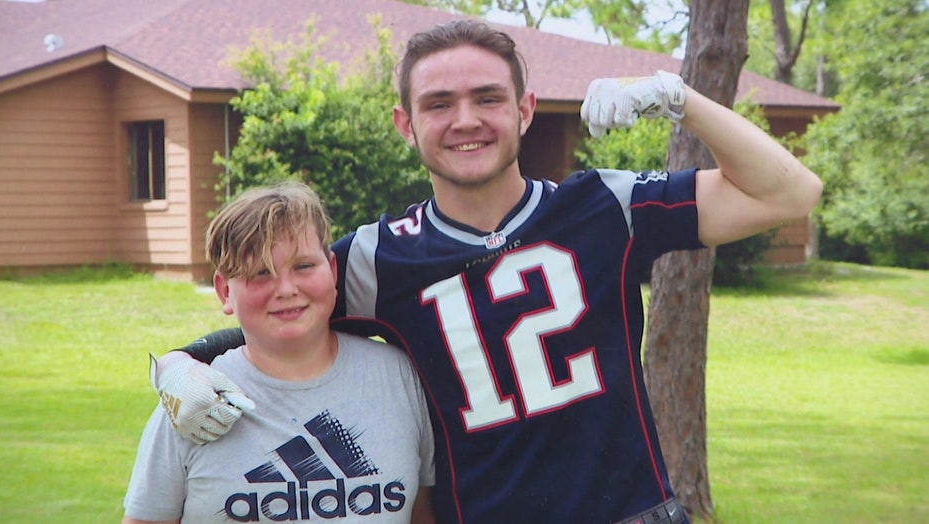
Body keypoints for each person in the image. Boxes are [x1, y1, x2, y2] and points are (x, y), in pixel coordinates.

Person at [146, 19, 822, 524]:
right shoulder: (380, 258)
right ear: (405, 125)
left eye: (488, 98)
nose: (464, 120)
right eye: (438, 103)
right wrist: (175, 363)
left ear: (525, 111)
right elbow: (276, 306)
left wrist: (681, 99)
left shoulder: (601, 207)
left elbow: (789, 193)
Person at [122, 182, 436, 523]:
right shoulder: (191, 403)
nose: (286, 289)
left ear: (332, 270)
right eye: (260, 273)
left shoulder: (398, 377)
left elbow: (422, 512)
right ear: (224, 291)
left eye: (303, 266)